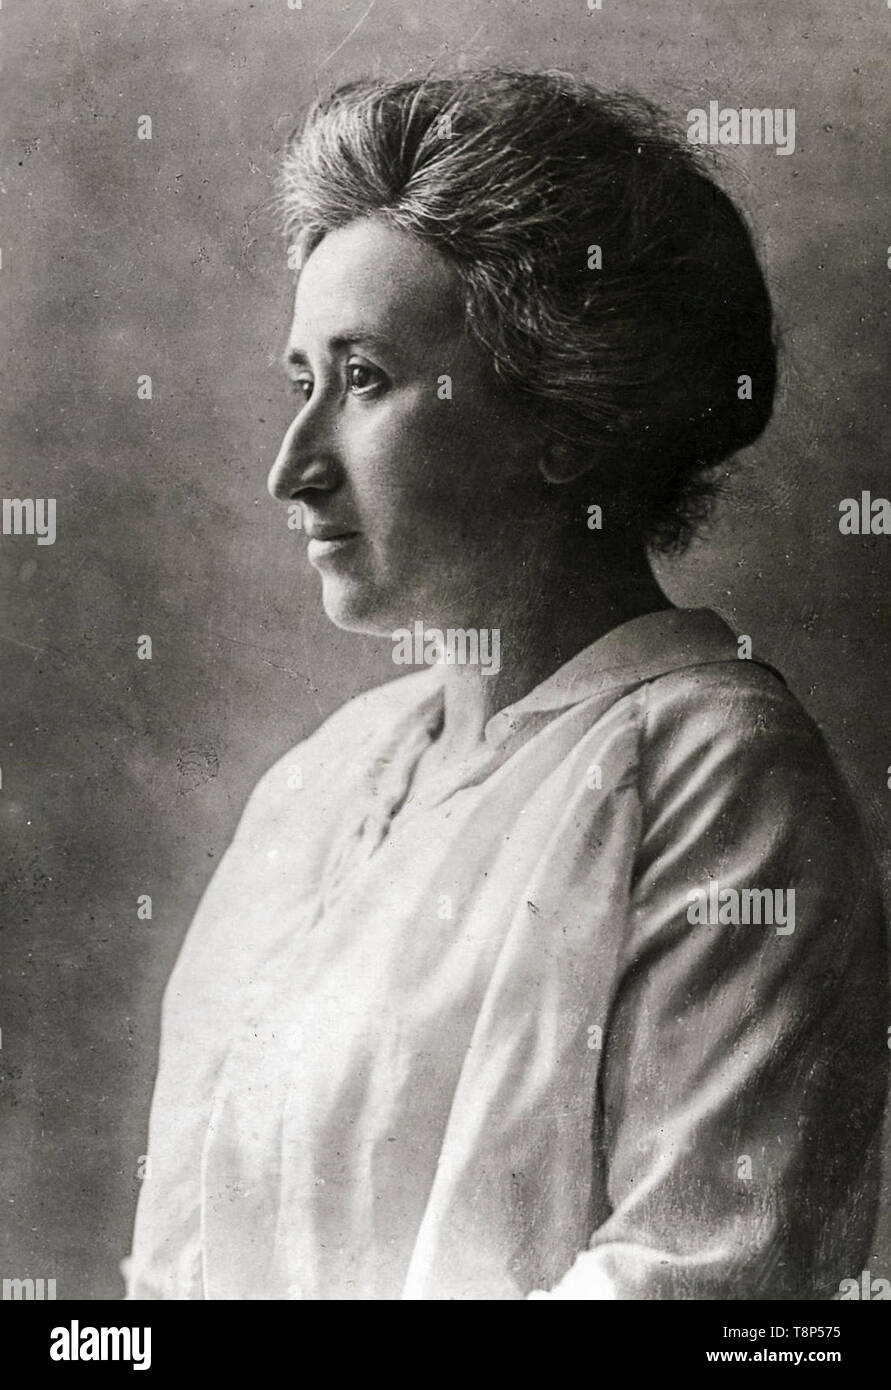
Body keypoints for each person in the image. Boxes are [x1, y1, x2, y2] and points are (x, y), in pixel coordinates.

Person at [125, 70, 888, 1300]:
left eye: (364, 379)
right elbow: (171, 1280)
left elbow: (700, 1283)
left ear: (564, 419)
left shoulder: (720, 778)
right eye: (298, 382)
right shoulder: (316, 787)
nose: (292, 467)